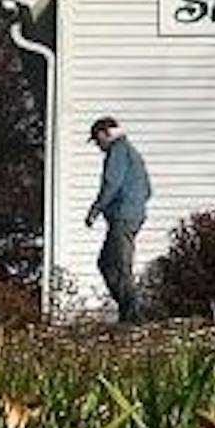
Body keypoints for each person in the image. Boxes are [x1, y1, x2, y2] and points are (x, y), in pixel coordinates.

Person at [86, 116, 152, 324]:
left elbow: (111, 183)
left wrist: (96, 210)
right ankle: (128, 310)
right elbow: (148, 189)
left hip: (123, 217)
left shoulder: (118, 150)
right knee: (106, 262)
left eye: (98, 140)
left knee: (120, 266)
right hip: (131, 216)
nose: (99, 146)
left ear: (107, 133)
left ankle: (132, 318)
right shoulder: (132, 153)